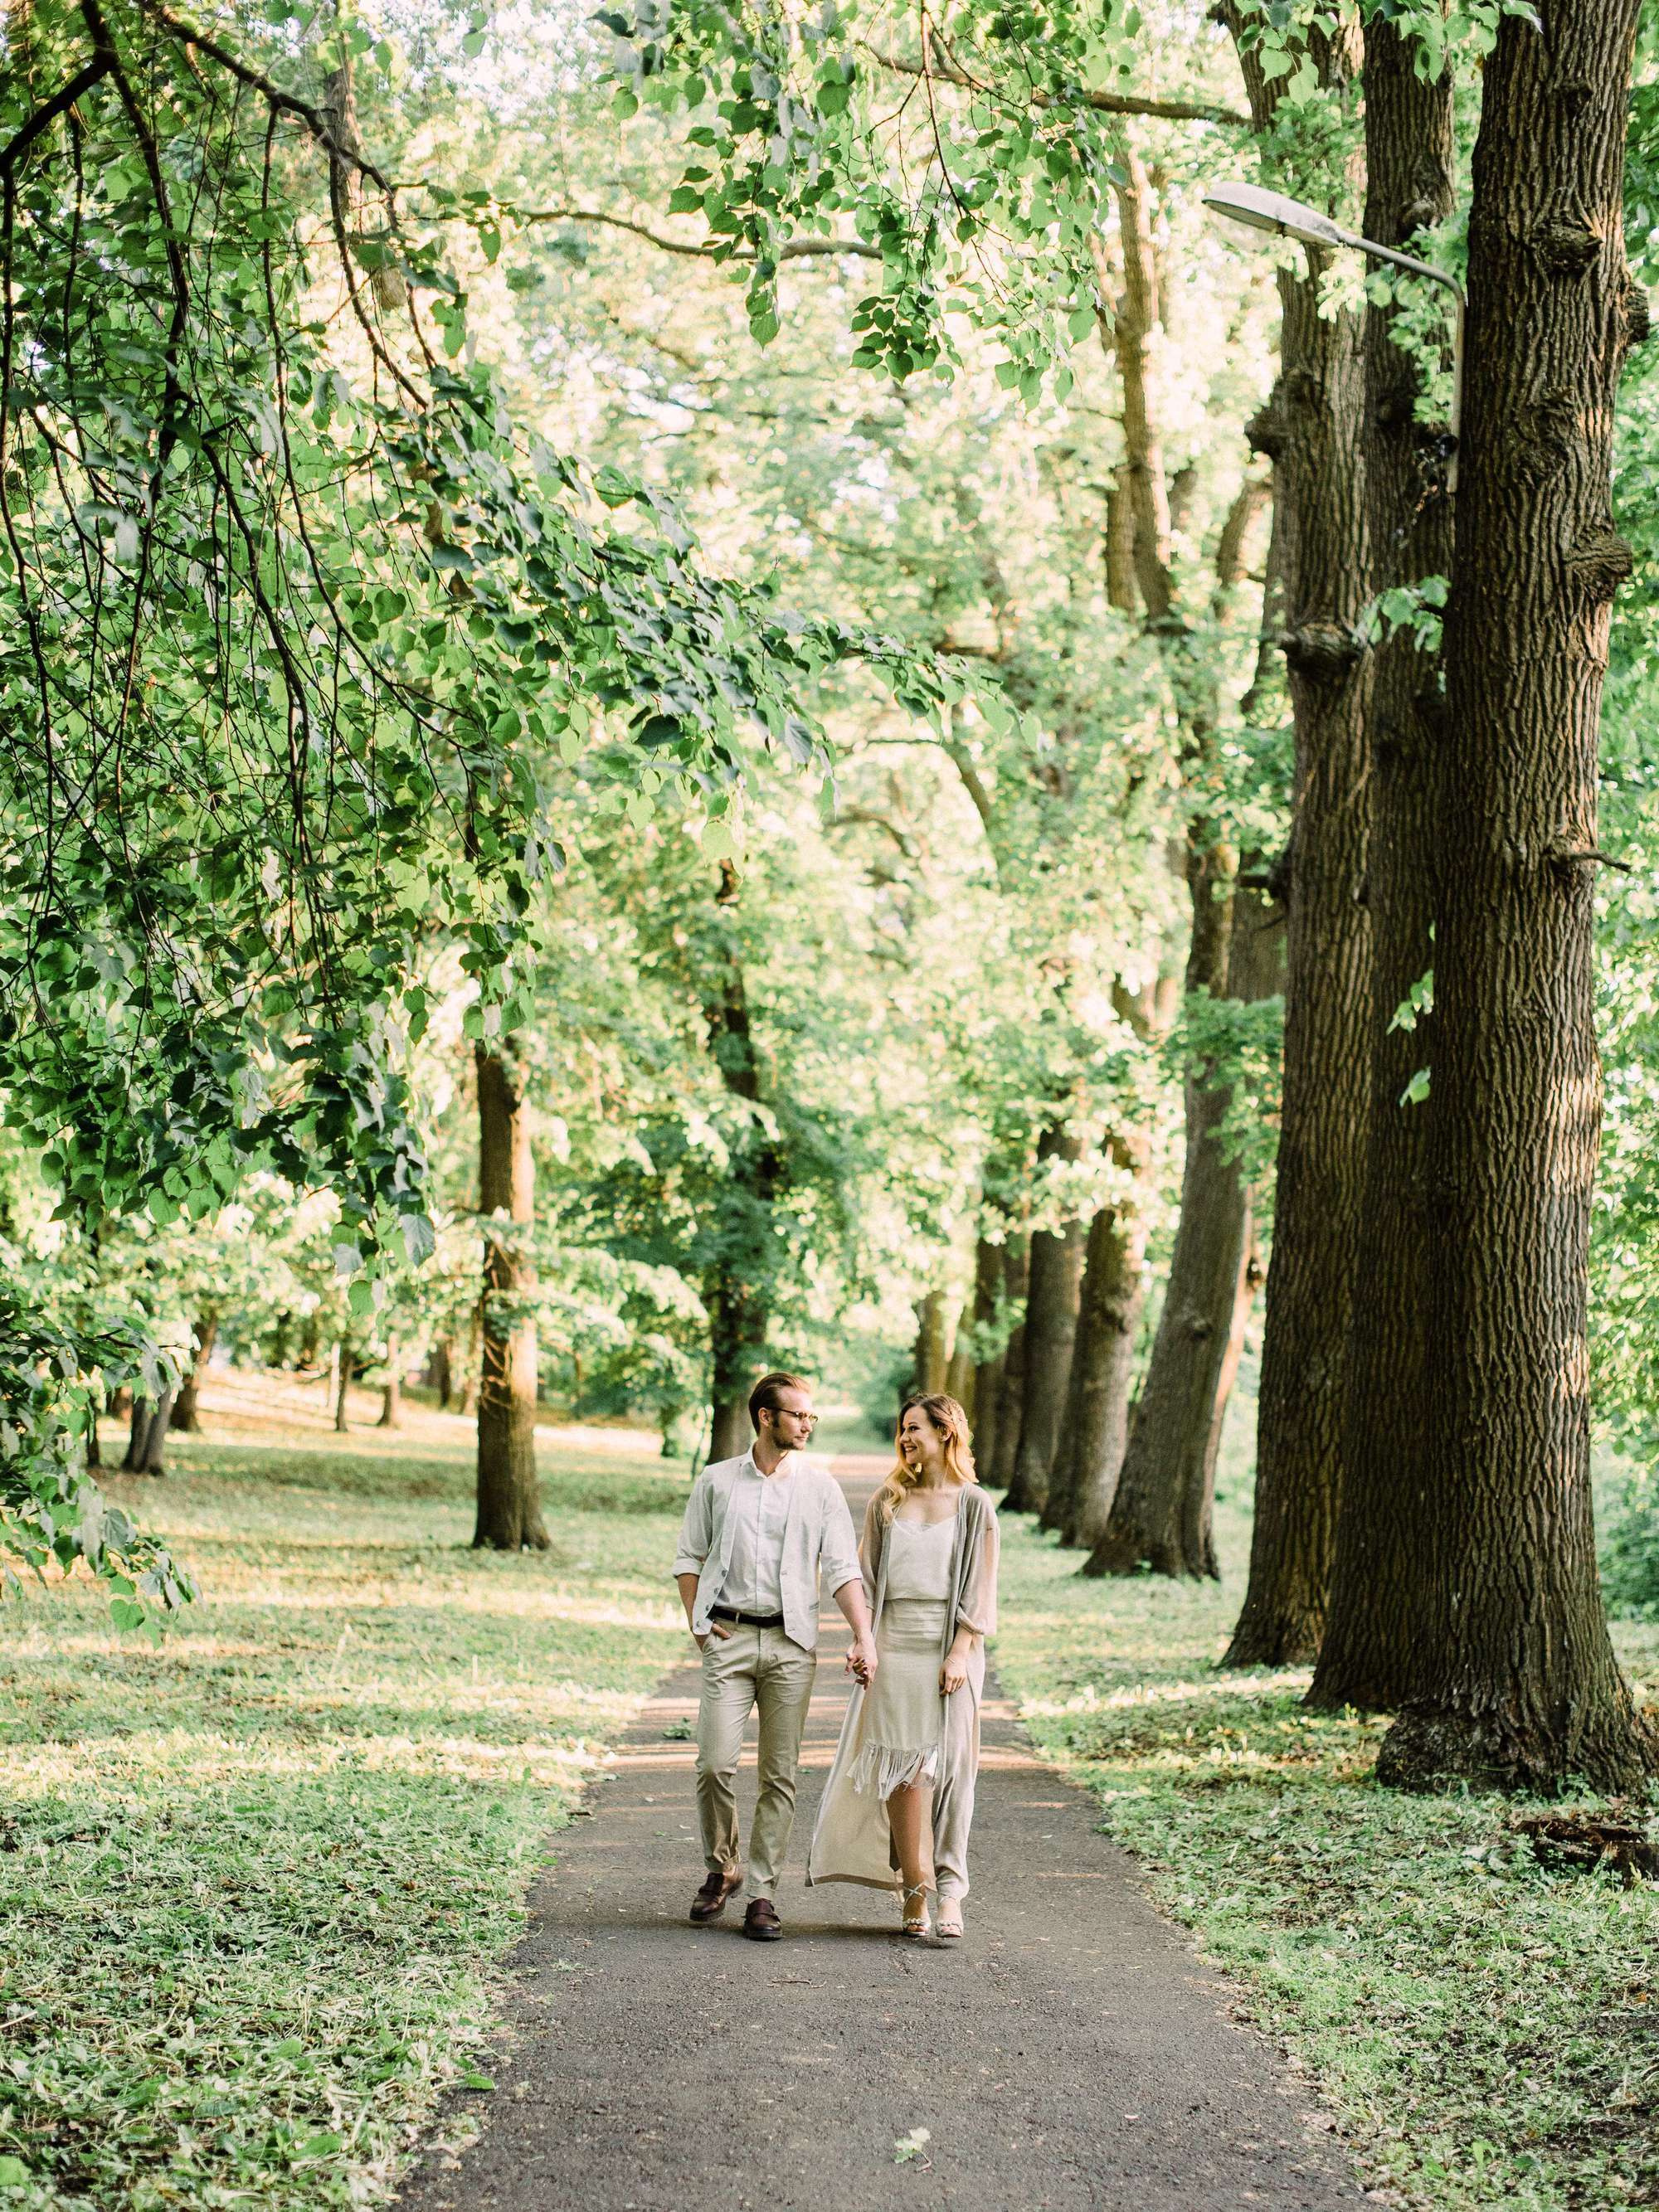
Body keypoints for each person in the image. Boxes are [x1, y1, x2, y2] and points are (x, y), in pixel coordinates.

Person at [674, 1372, 878, 1942]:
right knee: (713, 1763)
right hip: (730, 1639)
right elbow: (689, 1555)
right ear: (766, 1416)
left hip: (791, 1644)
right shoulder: (716, 1482)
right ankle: (723, 1865)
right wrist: (698, 1624)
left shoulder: (820, 1487)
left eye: (812, 1416)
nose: (807, 1424)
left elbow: (841, 1568)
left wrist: (862, 1633)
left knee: (778, 1773)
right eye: (798, 1415)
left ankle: (762, 1890)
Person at [805, 1392, 999, 1941]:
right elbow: (863, 1580)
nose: (906, 1436)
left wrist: (961, 1648)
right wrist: (861, 1640)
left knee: (951, 1771)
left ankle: (951, 1891)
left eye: (916, 1427)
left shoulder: (975, 1504)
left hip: (948, 1645)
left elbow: (982, 1590)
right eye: (902, 1428)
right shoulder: (888, 1500)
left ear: (946, 1432)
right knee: (901, 1770)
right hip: (893, 1645)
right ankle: (914, 1886)